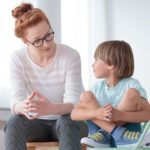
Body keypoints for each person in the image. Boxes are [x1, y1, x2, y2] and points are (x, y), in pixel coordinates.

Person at [4, 3, 87, 150]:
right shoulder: (17, 59)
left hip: (70, 123)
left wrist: (50, 108)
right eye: (37, 41)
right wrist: (22, 107)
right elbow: (15, 103)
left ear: (50, 27)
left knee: (67, 120)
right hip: (36, 125)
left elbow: (73, 104)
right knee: (14, 121)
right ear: (25, 41)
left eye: (48, 35)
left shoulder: (70, 55)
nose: (46, 44)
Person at [71, 40, 150, 148]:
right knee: (86, 96)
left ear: (110, 64)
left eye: (96, 59)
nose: (92, 64)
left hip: (129, 139)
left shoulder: (132, 85)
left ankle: (106, 133)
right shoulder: (96, 88)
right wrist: (97, 112)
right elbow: (74, 114)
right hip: (101, 141)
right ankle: (115, 133)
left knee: (132, 93)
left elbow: (148, 115)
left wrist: (121, 115)